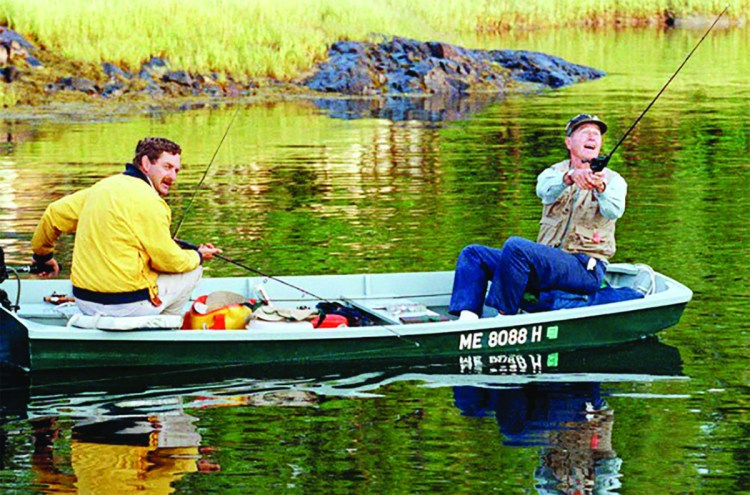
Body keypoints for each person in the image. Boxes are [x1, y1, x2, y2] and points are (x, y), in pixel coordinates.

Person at [449, 114, 627, 319]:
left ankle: (504, 317)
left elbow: (614, 210)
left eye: (596, 134)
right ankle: (467, 319)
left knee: (516, 247)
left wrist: (600, 188)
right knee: (473, 254)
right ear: (568, 142)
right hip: (546, 265)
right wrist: (569, 177)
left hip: (585, 269)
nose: (592, 137)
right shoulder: (552, 173)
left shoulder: (614, 180)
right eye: (584, 132)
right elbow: (544, 191)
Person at [30, 137, 221, 316]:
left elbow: (53, 214)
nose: (172, 176)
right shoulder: (152, 202)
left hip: (84, 301)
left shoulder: (102, 188)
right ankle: (167, 326)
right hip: (127, 306)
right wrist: (197, 255)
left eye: (176, 170)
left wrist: (43, 257)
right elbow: (169, 261)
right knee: (192, 269)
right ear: (146, 164)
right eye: (167, 167)